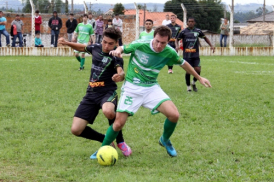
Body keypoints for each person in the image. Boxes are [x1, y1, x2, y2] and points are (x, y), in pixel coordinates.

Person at [98, 26, 211, 157]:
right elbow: (123, 48)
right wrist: (117, 50)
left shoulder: (169, 52)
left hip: (151, 88)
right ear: (154, 38)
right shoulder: (141, 44)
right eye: (157, 41)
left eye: (163, 43)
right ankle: (102, 149)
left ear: (168, 41)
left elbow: (183, 63)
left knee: (174, 115)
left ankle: (165, 140)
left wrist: (199, 77)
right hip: (131, 88)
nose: (159, 45)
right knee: (118, 124)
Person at [58, 27, 132, 159]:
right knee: (76, 130)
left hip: (107, 92)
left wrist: (120, 76)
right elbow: (83, 48)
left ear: (116, 44)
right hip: (91, 93)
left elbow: (120, 71)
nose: (106, 46)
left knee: (108, 111)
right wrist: (67, 43)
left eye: (110, 44)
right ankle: (105, 139)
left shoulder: (116, 56)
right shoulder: (96, 47)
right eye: (104, 42)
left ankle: (120, 141)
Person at [175, 17, 215, 92]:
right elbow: (177, 39)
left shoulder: (198, 31)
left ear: (194, 23)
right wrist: (177, 46)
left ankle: (193, 83)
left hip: (195, 55)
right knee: (188, 71)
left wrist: (211, 46)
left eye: (192, 21)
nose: (190, 23)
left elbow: (205, 38)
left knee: (198, 70)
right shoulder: (183, 32)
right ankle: (188, 87)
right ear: (187, 23)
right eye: (189, 21)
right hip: (186, 55)